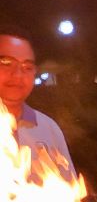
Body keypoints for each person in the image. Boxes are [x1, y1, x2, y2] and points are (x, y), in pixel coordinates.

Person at [0, 24, 76, 180]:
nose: (18, 75)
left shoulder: (48, 128)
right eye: (6, 63)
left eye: (27, 67)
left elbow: (69, 193)